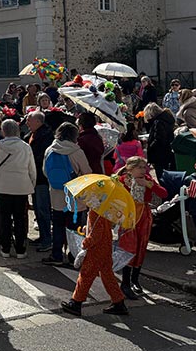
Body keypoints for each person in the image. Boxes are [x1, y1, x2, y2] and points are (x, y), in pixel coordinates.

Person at [61, 209, 129, 317]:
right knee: (107, 275)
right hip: (106, 247)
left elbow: (96, 234)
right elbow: (100, 229)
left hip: (96, 249)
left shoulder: (95, 212)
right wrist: (87, 229)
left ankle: (76, 302)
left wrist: (85, 243)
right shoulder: (104, 210)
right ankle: (118, 301)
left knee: (86, 275)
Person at [116, 156, 167, 298]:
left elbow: (163, 193)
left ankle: (135, 280)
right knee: (128, 247)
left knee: (141, 247)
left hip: (143, 216)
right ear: (130, 169)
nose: (143, 170)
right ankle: (125, 283)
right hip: (129, 216)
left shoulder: (147, 179)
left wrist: (148, 184)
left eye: (145, 167)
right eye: (140, 167)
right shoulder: (122, 180)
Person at [41, 123, 91, 266]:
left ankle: (57, 254)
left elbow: (45, 171)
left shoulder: (50, 150)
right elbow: (87, 172)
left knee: (57, 226)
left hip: (57, 195)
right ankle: (73, 255)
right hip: (75, 195)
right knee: (75, 227)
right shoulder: (77, 152)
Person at [0, 120, 36, 258]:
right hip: (21, 186)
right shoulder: (25, 147)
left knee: (4, 219)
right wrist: (31, 184)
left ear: (3, 131)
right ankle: (20, 249)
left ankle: (5, 248)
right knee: (20, 219)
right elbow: (32, 169)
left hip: (2, 187)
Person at [24, 111, 54, 252]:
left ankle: (47, 239)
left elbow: (41, 157)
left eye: (29, 120)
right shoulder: (31, 134)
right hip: (34, 177)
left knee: (43, 210)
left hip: (42, 178)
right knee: (37, 208)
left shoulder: (46, 136)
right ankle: (43, 236)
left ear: (38, 121)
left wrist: (29, 162)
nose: (27, 122)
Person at [143, 102, 176, 177]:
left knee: (161, 175)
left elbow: (159, 139)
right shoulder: (167, 119)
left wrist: (150, 147)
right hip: (168, 152)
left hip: (159, 155)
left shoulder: (158, 122)